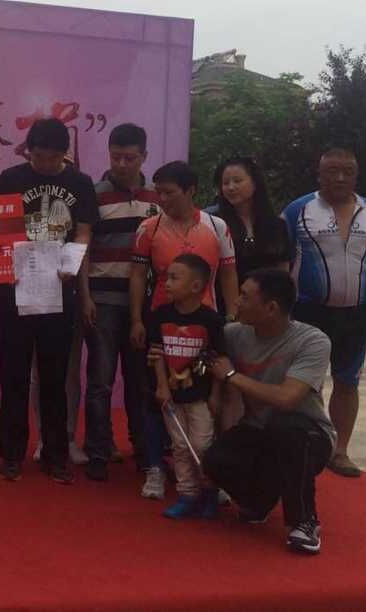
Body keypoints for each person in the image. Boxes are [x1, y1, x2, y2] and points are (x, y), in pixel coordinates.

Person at [202, 269, 336, 555]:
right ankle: (259, 501)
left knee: (285, 428)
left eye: (244, 296)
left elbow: (287, 399)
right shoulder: (233, 334)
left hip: (308, 435)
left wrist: (232, 376)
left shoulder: (313, 341)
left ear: (271, 308)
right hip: (258, 430)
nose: (236, 302)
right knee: (215, 460)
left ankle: (304, 521)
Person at [0, 118, 97, 483]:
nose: (46, 164)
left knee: (55, 376)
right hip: (17, 289)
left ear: (64, 154)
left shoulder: (80, 183)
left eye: (53, 158)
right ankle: (11, 454)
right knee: (14, 375)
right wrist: (5, 265)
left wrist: (72, 261)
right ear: (29, 151)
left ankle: (56, 455)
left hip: (59, 289)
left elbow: (83, 230)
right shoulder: (11, 179)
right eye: (39, 157)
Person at [129, 160, 237, 499]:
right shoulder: (148, 228)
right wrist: (136, 319)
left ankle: (213, 475)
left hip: (205, 327)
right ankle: (155, 468)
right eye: (158, 193)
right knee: (157, 397)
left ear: (191, 191)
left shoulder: (217, 227)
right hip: (162, 325)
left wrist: (233, 316)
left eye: (170, 193)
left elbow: (229, 274)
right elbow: (137, 276)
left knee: (206, 400)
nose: (162, 199)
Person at [281, 148, 366, 478]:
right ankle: (303, 444)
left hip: (356, 312)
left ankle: (340, 451)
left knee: (348, 381)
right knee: (304, 383)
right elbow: (281, 261)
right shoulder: (298, 210)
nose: (340, 178)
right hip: (307, 311)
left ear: (356, 175)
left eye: (347, 171)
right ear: (319, 174)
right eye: (332, 171)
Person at [78, 122, 160, 481]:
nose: (122, 164)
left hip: (144, 304)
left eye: (130, 158)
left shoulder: (158, 198)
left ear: (144, 156)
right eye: (116, 157)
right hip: (102, 300)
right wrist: (85, 296)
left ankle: (144, 451)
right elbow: (82, 249)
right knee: (100, 381)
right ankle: (98, 450)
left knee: (141, 381)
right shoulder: (93, 194)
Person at [147, 254, 225, 519]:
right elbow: (156, 354)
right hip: (172, 396)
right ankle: (187, 494)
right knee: (179, 445)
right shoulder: (161, 315)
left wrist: (216, 395)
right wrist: (161, 387)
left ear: (196, 286)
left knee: (202, 445)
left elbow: (218, 361)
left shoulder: (211, 320)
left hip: (200, 397)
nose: (167, 283)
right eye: (166, 277)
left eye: (174, 278)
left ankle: (210, 491)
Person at [208, 156, 291, 312]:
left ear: (255, 183)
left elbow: (283, 271)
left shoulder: (277, 225)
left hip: (266, 309)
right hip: (225, 309)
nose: (231, 187)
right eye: (225, 183)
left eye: (237, 181)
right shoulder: (213, 223)